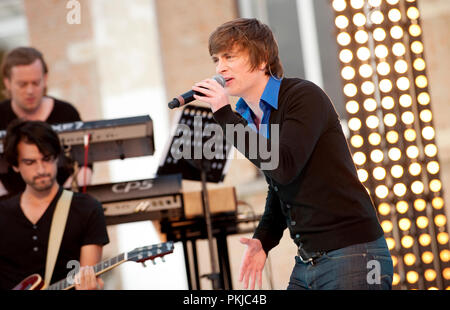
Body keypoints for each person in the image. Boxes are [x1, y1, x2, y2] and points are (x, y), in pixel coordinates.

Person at [193, 18, 393, 290]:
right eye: (217, 59)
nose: (220, 67)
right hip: (309, 261)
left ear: (262, 59)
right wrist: (263, 240)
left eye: (229, 56)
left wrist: (224, 114)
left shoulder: (302, 97)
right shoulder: (249, 115)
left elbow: (284, 165)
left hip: (352, 252)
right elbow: (280, 185)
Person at [0, 120, 109, 290]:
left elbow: (89, 275)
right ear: (15, 165)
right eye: (30, 162)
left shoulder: (87, 209)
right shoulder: (2, 214)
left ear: (57, 157)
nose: (41, 169)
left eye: (47, 159)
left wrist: (90, 288)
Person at [0, 47, 91, 198]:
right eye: (22, 84)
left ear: (45, 79)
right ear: (7, 83)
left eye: (35, 83)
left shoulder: (66, 112)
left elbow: (86, 164)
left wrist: (65, 202)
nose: (30, 91)